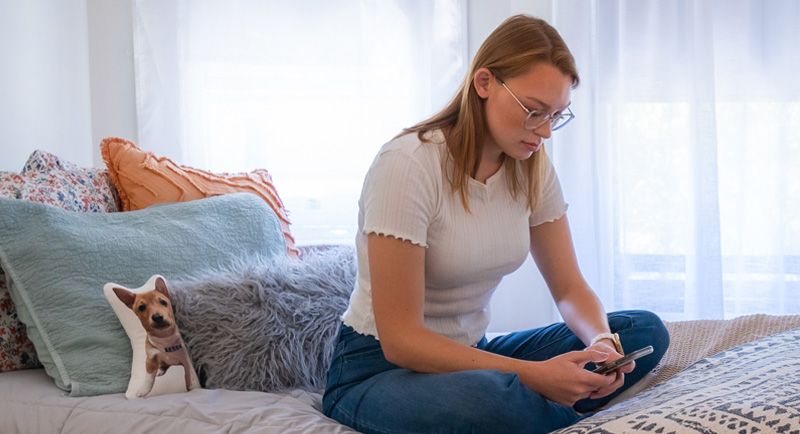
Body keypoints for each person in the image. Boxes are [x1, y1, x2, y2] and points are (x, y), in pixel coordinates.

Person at [322, 14, 669, 434]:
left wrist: (601, 342)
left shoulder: (531, 166)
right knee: (488, 399)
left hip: (472, 355)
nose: (545, 132)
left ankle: (538, 402)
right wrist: (534, 376)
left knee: (640, 330)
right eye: (533, 111)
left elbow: (570, 287)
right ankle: (561, 413)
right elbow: (401, 340)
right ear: (484, 83)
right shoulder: (407, 165)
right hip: (377, 369)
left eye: (557, 115)